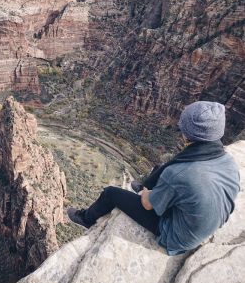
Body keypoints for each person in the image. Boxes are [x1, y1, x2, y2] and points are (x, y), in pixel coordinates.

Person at [67, 101, 240, 255]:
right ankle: (144, 187)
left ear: (189, 133)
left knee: (111, 193)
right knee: (160, 169)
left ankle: (86, 218)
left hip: (177, 238)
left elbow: (148, 205)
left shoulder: (179, 173)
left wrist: (146, 194)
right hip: (205, 225)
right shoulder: (228, 162)